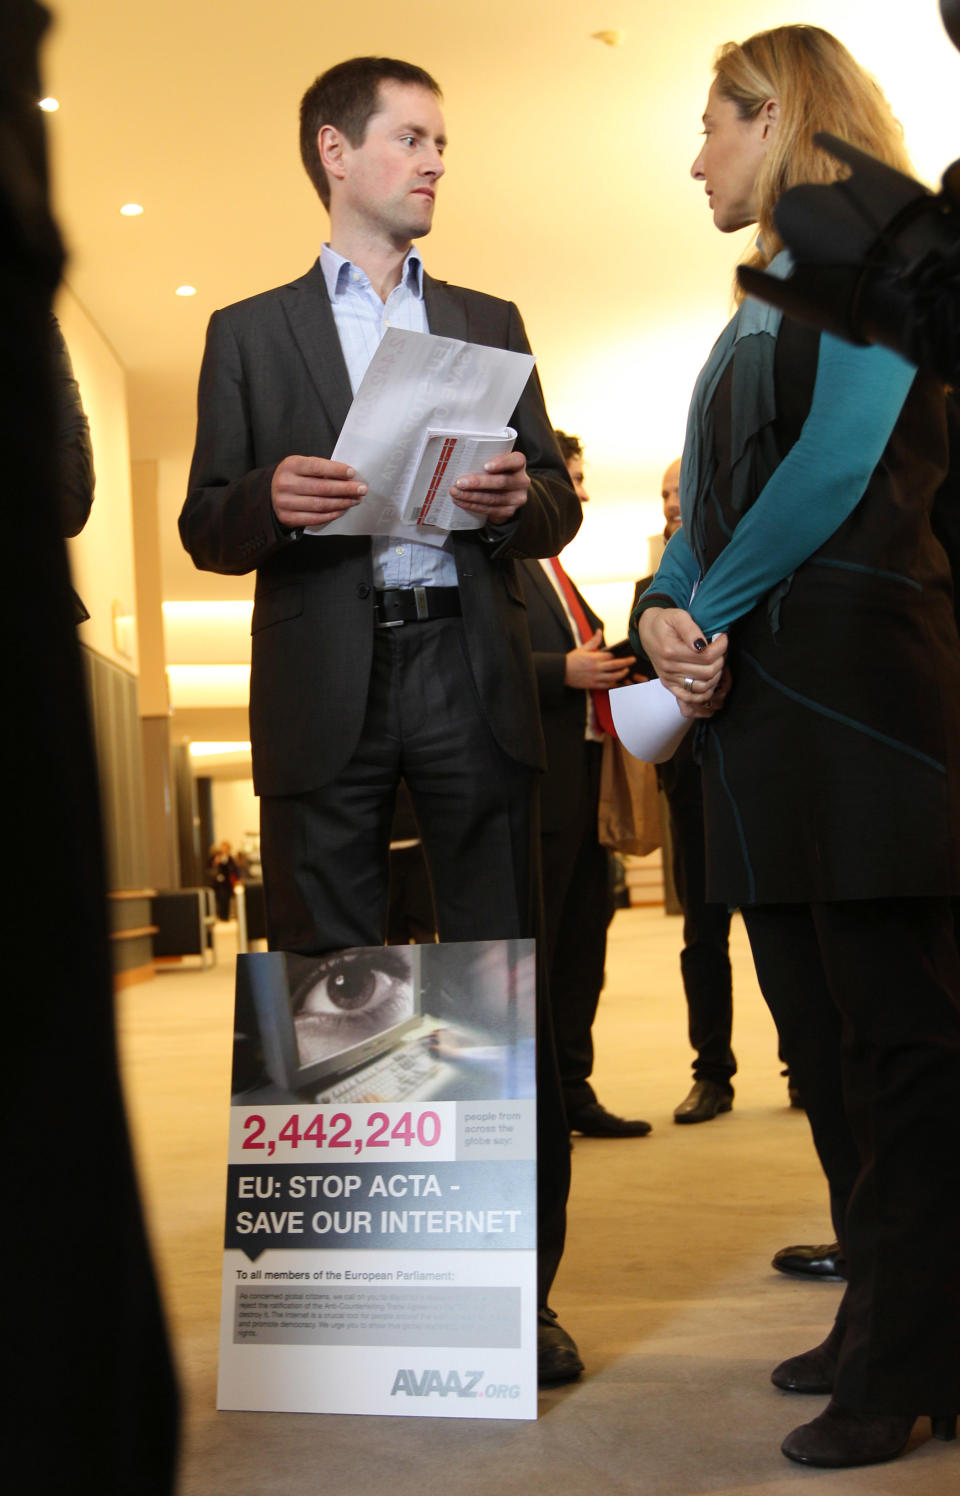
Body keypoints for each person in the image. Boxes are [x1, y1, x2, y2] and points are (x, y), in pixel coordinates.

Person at [178, 56, 582, 1384]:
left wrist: (517, 498)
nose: (434, 161)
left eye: (441, 142)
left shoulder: (486, 315)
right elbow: (204, 526)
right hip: (323, 681)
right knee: (330, 988)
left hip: (467, 672)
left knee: (499, 986)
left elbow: (553, 517)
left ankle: (518, 1304)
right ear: (335, 151)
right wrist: (266, 502)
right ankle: (358, 1308)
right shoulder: (248, 331)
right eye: (411, 138)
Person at [632, 24, 960, 1469]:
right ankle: (880, 1308)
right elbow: (715, 490)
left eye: (712, 124)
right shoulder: (754, 298)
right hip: (764, 718)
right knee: (822, 1043)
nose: (696, 155)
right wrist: (663, 607)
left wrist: (707, 602)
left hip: (866, 704)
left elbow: (836, 463)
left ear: (774, 117)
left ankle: (908, 1359)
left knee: (901, 1043)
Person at [519, 431, 651, 1137]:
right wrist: (561, 672)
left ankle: (574, 1090)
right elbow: (478, 664)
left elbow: (583, 653)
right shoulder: (505, 563)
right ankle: (537, 1104)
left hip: (587, 784)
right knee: (540, 950)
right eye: (569, 478)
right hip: (539, 791)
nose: (582, 493)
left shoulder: (555, 568)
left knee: (582, 948)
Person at [635, 459, 736, 1124]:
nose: (675, 500)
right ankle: (712, 1074)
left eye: (682, 489)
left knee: (786, 922)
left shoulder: (744, 554)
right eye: (666, 493)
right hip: (691, 782)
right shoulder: (649, 591)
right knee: (704, 933)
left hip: (756, 767)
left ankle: (800, 1070)